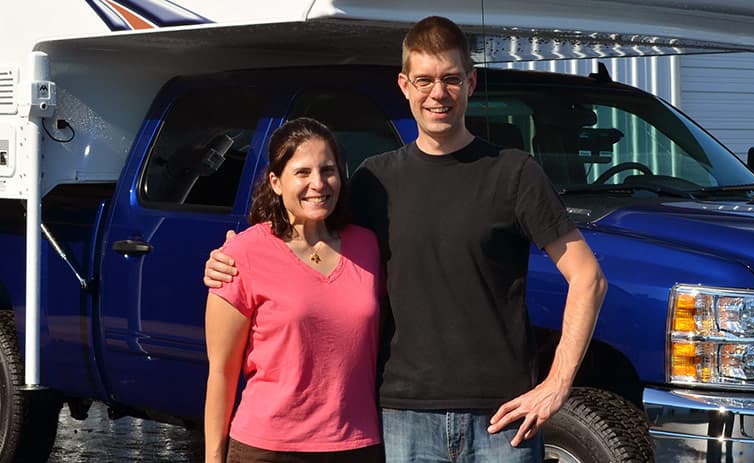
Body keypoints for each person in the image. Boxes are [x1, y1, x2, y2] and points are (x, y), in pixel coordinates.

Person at [205, 16, 607, 463]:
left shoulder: (514, 174)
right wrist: (230, 257)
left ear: (471, 82)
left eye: (452, 79)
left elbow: (587, 278)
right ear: (404, 84)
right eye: (425, 80)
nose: (439, 93)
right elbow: (305, 230)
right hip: (403, 417)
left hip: (502, 419)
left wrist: (556, 385)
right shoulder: (375, 180)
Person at [203, 117, 384, 463]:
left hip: (356, 446)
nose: (318, 183)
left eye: (328, 170)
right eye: (302, 172)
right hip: (267, 449)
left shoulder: (369, 246)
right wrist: (214, 458)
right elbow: (222, 372)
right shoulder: (243, 254)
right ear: (276, 182)